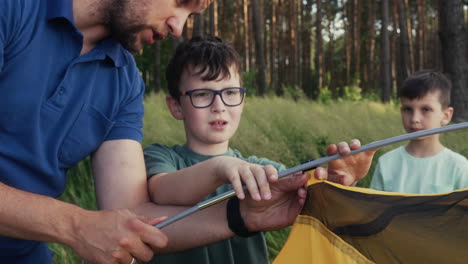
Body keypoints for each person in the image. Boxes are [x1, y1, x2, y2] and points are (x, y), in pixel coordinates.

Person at [0, 0, 375, 263]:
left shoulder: (124, 80)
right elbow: (136, 203)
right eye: (180, 2)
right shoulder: (13, 10)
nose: (178, 27)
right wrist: (75, 225)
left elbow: (133, 214)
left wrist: (242, 217)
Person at [143, 35, 377, 264]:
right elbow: (163, 191)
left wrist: (341, 184)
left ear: (242, 101)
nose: (219, 106)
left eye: (230, 93)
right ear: (175, 106)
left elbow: (314, 208)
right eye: (203, 94)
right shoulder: (161, 156)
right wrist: (220, 168)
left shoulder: (264, 170)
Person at [370, 70, 468, 194]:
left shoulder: (458, 166)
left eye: (426, 109)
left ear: (446, 116)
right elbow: (374, 211)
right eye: (408, 109)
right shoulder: (386, 163)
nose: (415, 119)